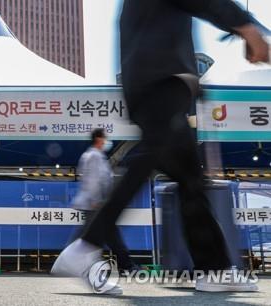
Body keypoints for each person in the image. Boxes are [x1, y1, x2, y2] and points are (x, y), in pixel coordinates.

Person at [52, 0, 269, 294]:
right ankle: (86, 245)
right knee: (150, 156)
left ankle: (214, 270)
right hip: (163, 80)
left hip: (154, 80)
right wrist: (246, 26)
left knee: (190, 180)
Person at [72, 129, 137, 273]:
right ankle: (126, 266)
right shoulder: (94, 156)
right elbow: (94, 180)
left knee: (102, 234)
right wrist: (96, 200)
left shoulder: (92, 155)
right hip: (95, 203)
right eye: (105, 138)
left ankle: (125, 265)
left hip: (96, 203)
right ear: (99, 139)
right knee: (105, 234)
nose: (107, 142)